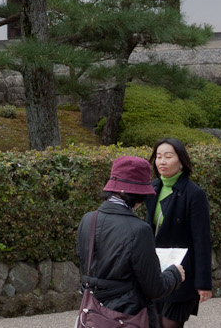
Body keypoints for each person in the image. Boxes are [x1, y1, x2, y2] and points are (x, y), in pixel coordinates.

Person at [78, 155, 185, 326]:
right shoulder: (139, 230)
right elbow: (155, 288)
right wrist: (174, 274)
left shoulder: (88, 220)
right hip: (127, 317)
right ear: (139, 195)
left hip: (92, 315)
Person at [149, 138, 212, 326]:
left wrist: (204, 284)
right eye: (158, 157)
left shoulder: (194, 194)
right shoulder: (151, 189)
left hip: (182, 273)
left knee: (169, 324)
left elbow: (201, 241)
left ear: (181, 161)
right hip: (155, 272)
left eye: (168, 156)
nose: (162, 161)